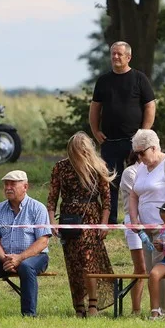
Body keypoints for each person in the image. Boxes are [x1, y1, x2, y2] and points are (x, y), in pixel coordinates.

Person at [47, 133, 114, 317]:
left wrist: (104, 223)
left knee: (88, 261)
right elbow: (52, 198)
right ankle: (79, 305)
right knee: (73, 263)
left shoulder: (98, 166)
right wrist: (51, 220)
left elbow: (107, 199)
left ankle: (93, 304)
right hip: (68, 218)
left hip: (91, 216)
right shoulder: (60, 167)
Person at [89, 41, 156, 223]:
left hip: (135, 142)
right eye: (113, 54)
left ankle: (141, 216)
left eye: (119, 54)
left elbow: (150, 106)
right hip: (109, 141)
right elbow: (95, 108)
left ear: (129, 57)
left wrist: (144, 133)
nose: (116, 57)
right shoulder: (103, 80)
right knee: (109, 182)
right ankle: (110, 219)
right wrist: (95, 131)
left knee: (139, 180)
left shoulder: (139, 78)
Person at [0, 170, 52, 317]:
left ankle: (28, 315)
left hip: (34, 257)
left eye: (12, 184)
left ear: (25, 187)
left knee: (27, 267)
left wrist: (19, 258)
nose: (8, 187)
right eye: (6, 184)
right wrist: (6, 259)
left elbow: (42, 241)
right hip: (4, 258)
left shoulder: (38, 208)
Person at [128, 129, 165, 315]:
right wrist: (134, 220)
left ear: (154, 148)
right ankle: (156, 308)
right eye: (136, 153)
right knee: (151, 270)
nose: (139, 157)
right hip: (146, 229)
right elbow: (133, 195)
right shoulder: (140, 168)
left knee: (164, 268)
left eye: (142, 152)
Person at [118, 151, 148, 315]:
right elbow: (139, 197)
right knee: (141, 267)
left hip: (151, 219)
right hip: (133, 220)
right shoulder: (130, 172)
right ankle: (136, 309)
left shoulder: (154, 170)